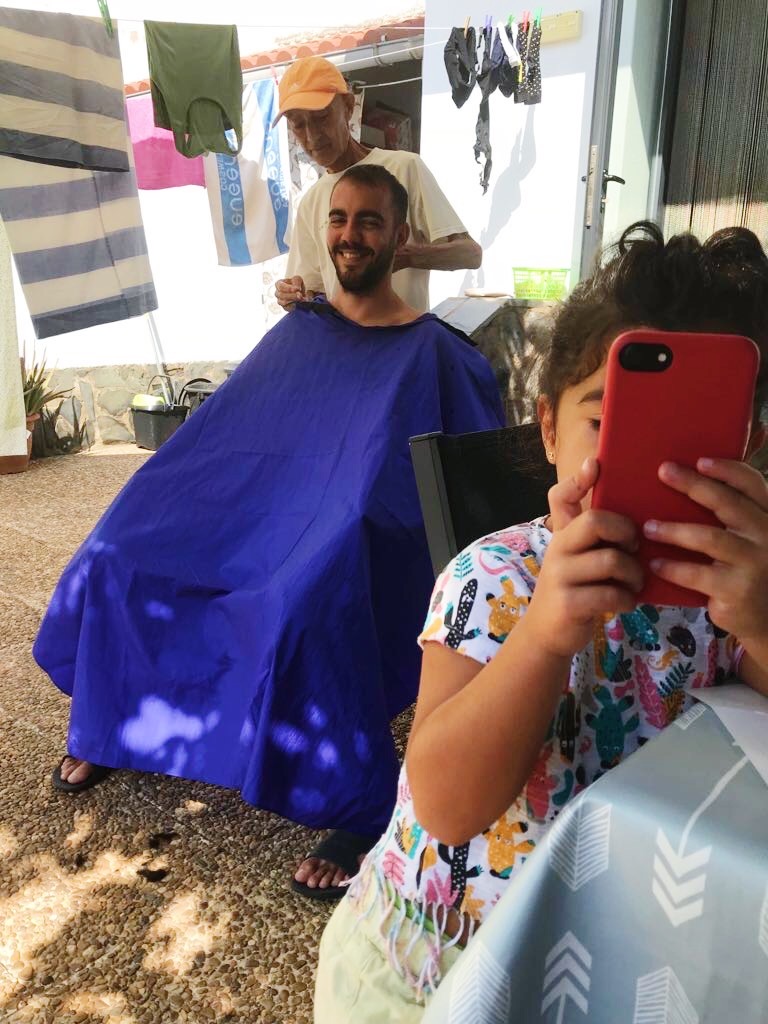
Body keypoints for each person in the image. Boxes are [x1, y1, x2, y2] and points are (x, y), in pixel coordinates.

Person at [313, 220, 768, 1022]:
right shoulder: (494, 579)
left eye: (697, 438)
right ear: (550, 428)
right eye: (610, 421)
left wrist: (765, 623)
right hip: (430, 972)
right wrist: (545, 636)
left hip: (620, 959)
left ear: (752, 449)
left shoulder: (740, 598)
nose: (661, 466)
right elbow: (447, 806)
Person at [36, 166, 504, 894]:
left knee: (303, 601)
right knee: (117, 558)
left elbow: (463, 494)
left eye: (371, 221)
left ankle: (356, 804)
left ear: (402, 238)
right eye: (340, 219)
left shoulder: (435, 352)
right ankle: (112, 724)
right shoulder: (300, 331)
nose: (351, 234)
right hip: (246, 517)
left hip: (340, 534)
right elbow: (225, 442)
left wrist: (354, 516)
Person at [274, 55, 481, 314]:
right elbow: (313, 291)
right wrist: (291, 294)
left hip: (403, 345)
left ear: (348, 107)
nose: (312, 136)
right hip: (347, 347)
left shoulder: (405, 168)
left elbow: (470, 254)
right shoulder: (311, 203)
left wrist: (403, 256)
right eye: (298, 125)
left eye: (322, 118)